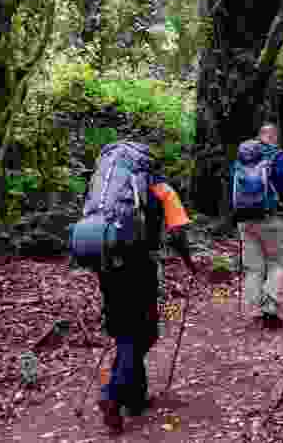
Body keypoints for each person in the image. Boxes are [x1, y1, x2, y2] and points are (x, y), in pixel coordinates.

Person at [73, 141, 196, 433]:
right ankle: (113, 393)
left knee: (124, 330)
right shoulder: (160, 187)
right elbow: (178, 232)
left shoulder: (102, 186)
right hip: (139, 264)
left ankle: (135, 398)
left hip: (105, 261)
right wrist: (190, 263)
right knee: (144, 332)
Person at [230, 124, 283, 329]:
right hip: (272, 218)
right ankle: (269, 308)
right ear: (273, 136)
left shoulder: (242, 158)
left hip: (244, 219)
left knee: (253, 266)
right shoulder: (277, 155)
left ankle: (254, 307)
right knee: (277, 262)